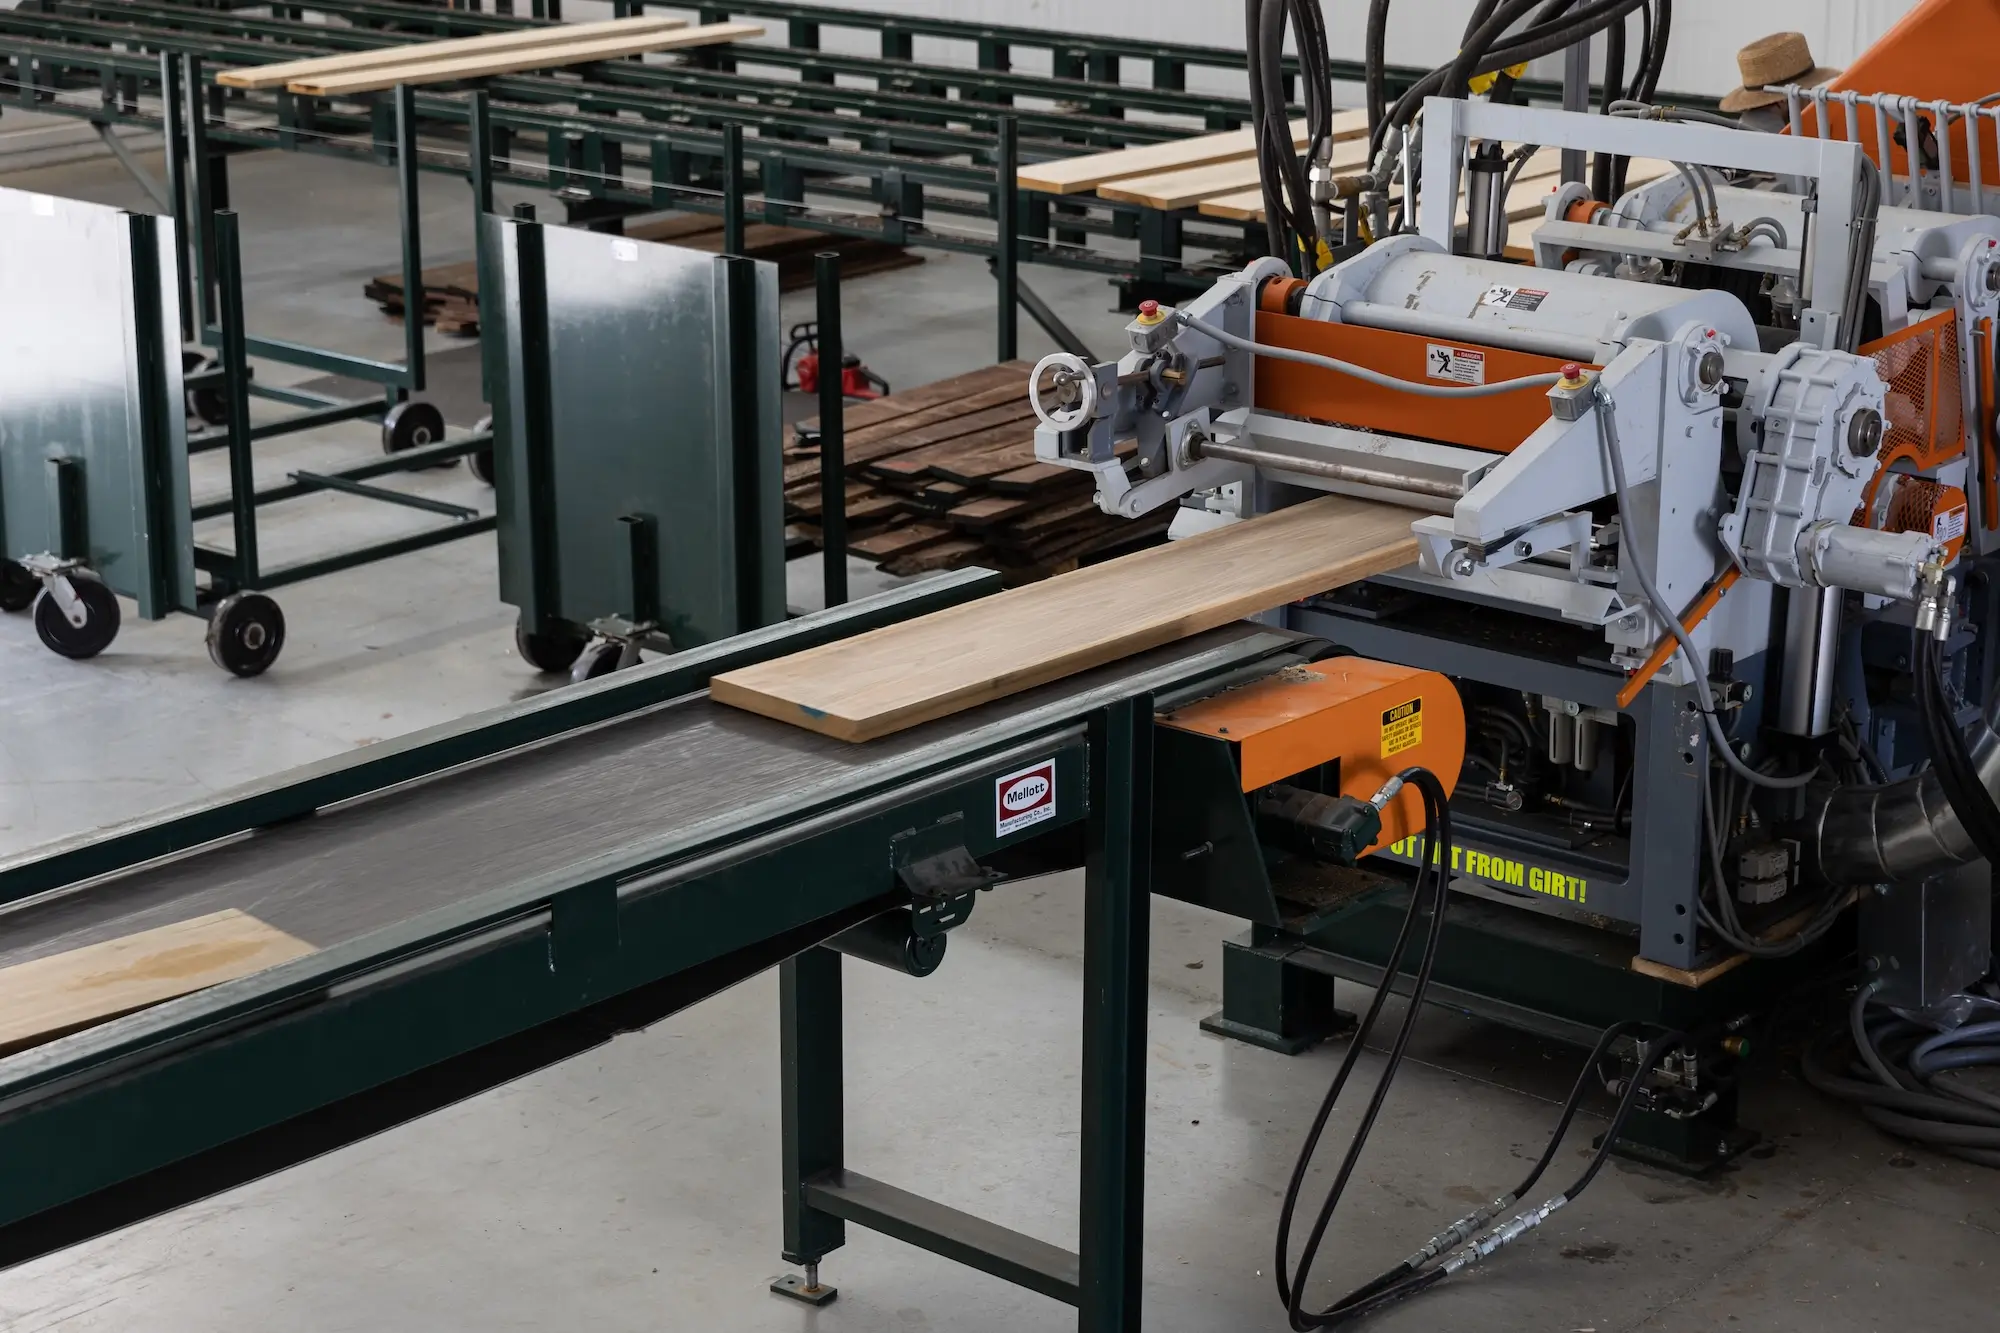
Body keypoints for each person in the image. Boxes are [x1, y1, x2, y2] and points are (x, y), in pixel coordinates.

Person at [1717, 31, 1841, 133]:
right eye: (1807, 89)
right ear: (1782, 100)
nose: (1810, 99)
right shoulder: (1781, 141)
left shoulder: (1742, 128)